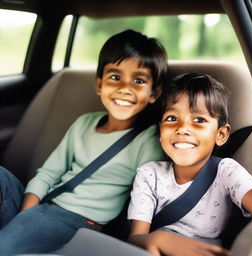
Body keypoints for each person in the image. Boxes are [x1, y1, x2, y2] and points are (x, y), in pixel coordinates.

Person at [0, 29, 168, 254]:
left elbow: (147, 198)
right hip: (38, 207)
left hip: (77, 222)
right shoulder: (84, 123)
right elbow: (48, 173)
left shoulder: (147, 141)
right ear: (99, 84)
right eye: (115, 77)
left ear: (154, 93)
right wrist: (25, 215)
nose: (124, 89)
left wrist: (138, 240)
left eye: (138, 81)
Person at [127, 73, 252, 256]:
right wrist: (159, 240)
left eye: (199, 120)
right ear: (160, 133)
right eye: (171, 118)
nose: (182, 128)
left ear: (221, 135)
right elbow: (136, 240)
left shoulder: (225, 171)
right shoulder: (149, 174)